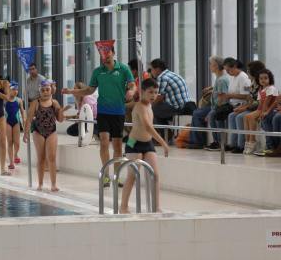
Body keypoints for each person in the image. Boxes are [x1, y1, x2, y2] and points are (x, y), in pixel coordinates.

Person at [62, 44, 136, 187]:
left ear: (113, 53)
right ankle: (106, 176)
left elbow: (132, 85)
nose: (105, 58)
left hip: (118, 112)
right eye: (102, 55)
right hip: (103, 112)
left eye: (107, 54)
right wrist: (72, 92)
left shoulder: (123, 69)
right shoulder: (98, 72)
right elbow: (89, 90)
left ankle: (117, 176)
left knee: (118, 147)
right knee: (103, 142)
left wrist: (131, 92)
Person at [120, 78, 169, 214]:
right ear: (142, 92)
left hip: (147, 143)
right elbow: (148, 126)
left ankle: (156, 207)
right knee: (133, 175)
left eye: (156, 92)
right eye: (150, 92)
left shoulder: (149, 105)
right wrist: (163, 143)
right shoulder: (140, 106)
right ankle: (123, 206)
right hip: (133, 143)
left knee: (155, 175)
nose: (153, 95)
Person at [24, 80, 67, 191]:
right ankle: (40, 183)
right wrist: (25, 133)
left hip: (51, 131)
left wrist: (61, 111)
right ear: (39, 91)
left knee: (52, 158)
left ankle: (53, 184)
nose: (45, 92)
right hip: (38, 131)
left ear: (51, 90)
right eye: (43, 90)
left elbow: (60, 120)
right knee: (41, 158)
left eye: (47, 89)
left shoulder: (55, 103)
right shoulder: (35, 103)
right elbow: (28, 119)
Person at [187, 56, 229, 150]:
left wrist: (213, 111)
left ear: (216, 66)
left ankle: (198, 141)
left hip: (218, 107)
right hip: (215, 105)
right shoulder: (220, 78)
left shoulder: (222, 80)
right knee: (197, 112)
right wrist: (211, 88)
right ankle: (198, 140)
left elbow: (222, 96)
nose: (209, 66)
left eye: (211, 64)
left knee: (198, 114)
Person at [225, 60, 266, 154]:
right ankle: (234, 143)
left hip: (258, 108)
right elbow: (250, 99)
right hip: (252, 106)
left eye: (248, 71)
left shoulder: (260, 84)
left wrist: (245, 108)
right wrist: (243, 107)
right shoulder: (252, 83)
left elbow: (257, 102)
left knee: (240, 117)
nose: (247, 72)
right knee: (232, 115)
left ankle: (242, 144)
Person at [149, 59, 193, 128]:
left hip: (178, 109)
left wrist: (146, 106)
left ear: (157, 69)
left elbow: (158, 98)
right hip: (186, 106)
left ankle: (163, 134)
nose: (151, 72)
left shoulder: (162, 78)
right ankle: (165, 132)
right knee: (156, 109)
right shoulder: (173, 74)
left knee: (151, 109)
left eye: (151, 69)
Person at [244, 69, 278, 154]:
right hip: (262, 109)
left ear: (270, 79)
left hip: (269, 109)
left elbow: (268, 102)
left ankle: (252, 141)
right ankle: (248, 141)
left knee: (251, 117)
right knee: (246, 117)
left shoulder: (271, 88)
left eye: (265, 78)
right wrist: (257, 112)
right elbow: (260, 103)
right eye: (261, 78)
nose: (263, 80)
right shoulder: (261, 89)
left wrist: (262, 113)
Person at [222, 58, 251, 152]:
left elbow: (246, 96)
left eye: (228, 70)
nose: (227, 72)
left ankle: (241, 145)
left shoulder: (243, 77)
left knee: (238, 117)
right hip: (233, 104)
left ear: (234, 67)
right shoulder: (232, 77)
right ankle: (232, 143)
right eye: (226, 70)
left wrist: (230, 95)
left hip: (242, 104)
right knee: (230, 116)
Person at [5, 82, 26, 170]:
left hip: (16, 122)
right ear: (9, 90)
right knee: (10, 142)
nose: (16, 91)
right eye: (14, 89)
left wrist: (24, 119)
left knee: (17, 143)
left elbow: (22, 111)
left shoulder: (19, 100)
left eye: (17, 90)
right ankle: (11, 162)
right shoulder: (5, 99)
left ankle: (15, 154)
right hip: (7, 122)